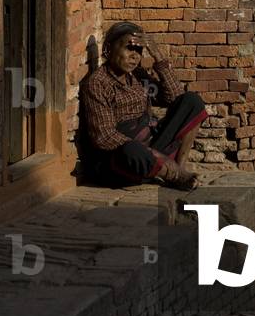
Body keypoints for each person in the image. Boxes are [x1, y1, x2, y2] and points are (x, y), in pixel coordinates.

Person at [80, 21, 207, 190]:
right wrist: (148, 153)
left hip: (151, 148)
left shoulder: (138, 76)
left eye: (139, 51)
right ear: (108, 50)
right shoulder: (98, 83)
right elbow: (104, 137)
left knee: (191, 101)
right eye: (129, 48)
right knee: (132, 150)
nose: (135, 56)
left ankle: (177, 167)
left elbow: (175, 98)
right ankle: (174, 173)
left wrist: (158, 56)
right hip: (122, 160)